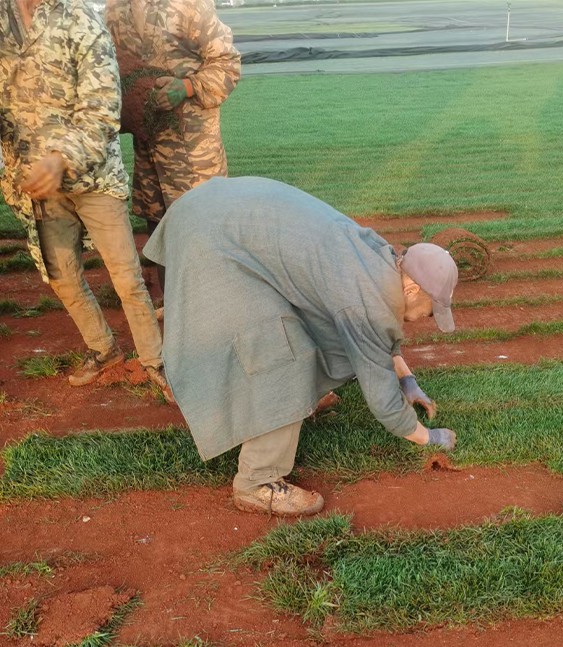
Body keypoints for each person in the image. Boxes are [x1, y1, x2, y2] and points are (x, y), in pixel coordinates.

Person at [143, 176, 460, 517]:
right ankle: (257, 482)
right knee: (280, 359)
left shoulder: (379, 257)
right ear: (412, 288)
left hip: (210, 209)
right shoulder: (367, 300)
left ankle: (287, 408)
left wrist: (408, 381)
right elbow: (381, 396)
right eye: (431, 308)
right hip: (212, 241)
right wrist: (428, 437)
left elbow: (375, 335)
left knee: (299, 331)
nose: (425, 317)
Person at [0, 0, 171, 397]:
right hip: (33, 181)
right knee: (63, 277)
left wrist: (61, 160)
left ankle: (156, 360)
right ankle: (104, 349)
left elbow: (103, 109)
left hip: (92, 176)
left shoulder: (79, 17)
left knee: (126, 277)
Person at [105, 0, 241, 301]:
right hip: (149, 147)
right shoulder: (114, 10)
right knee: (160, 229)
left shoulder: (189, 5)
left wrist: (188, 87)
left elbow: (228, 64)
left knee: (204, 229)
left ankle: (218, 311)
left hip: (193, 152)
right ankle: (177, 308)